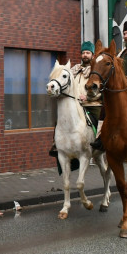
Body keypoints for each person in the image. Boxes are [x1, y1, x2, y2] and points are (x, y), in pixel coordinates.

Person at [50, 41, 102, 172]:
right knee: (60, 121)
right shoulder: (75, 70)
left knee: (99, 119)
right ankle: (57, 145)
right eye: (83, 53)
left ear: (93, 55)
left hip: (91, 104)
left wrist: (89, 97)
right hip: (76, 104)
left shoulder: (96, 70)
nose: (85, 55)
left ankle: (101, 142)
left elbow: (101, 89)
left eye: (87, 53)